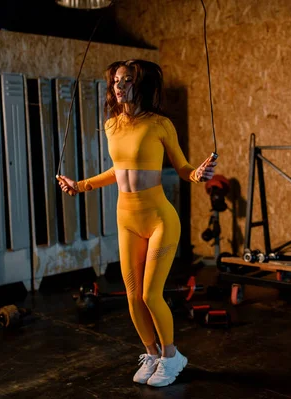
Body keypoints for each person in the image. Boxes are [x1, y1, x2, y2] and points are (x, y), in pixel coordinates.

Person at [57, 59, 217, 387]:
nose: (118, 86)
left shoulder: (160, 124)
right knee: (132, 297)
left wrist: (197, 175)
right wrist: (80, 185)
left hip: (159, 218)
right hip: (126, 218)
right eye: (115, 80)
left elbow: (183, 167)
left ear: (139, 83)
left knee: (150, 294)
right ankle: (153, 353)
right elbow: (119, 171)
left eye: (126, 80)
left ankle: (172, 356)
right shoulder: (111, 125)